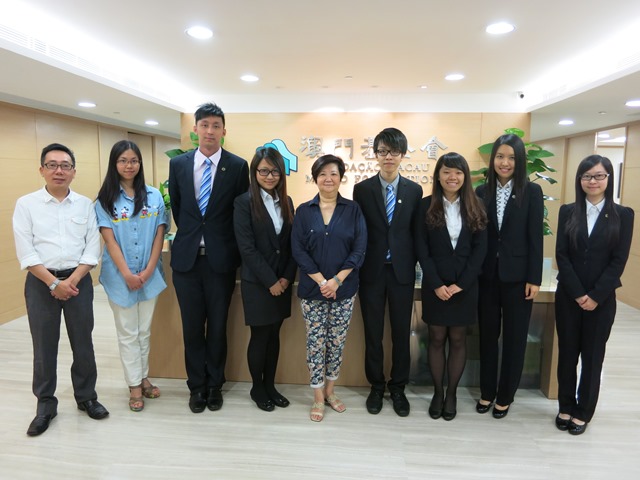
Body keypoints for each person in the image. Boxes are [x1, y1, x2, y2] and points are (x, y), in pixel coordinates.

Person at [13, 143, 108, 437]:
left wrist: (72, 280)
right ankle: (45, 405)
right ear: (41, 170)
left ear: (73, 172)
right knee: (44, 346)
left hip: (78, 282)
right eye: (52, 165)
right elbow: (26, 252)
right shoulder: (26, 204)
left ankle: (86, 397)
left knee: (83, 342)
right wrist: (54, 283)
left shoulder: (85, 205)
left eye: (65, 166)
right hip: (41, 284)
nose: (59, 171)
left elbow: (92, 249)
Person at [169, 102, 250, 413]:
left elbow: (240, 212)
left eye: (216, 126)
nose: (210, 131)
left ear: (224, 131)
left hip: (220, 260)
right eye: (204, 125)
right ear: (195, 129)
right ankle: (196, 386)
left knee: (217, 326)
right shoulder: (179, 165)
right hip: (187, 261)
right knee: (191, 328)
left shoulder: (237, 166)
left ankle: (215, 385)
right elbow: (179, 208)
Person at [554, 155, 634, 435]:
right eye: (587, 176)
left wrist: (596, 295)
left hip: (602, 300)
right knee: (567, 354)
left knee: (592, 356)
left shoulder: (623, 215)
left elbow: (619, 260)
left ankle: (583, 411)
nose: (593, 181)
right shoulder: (568, 212)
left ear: (609, 179)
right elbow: (562, 255)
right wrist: (578, 293)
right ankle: (565, 406)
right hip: (568, 297)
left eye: (599, 175)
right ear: (580, 180)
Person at [353, 127, 422, 417]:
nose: (388, 157)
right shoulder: (362, 190)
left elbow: (416, 234)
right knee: (373, 333)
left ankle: (398, 387)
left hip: (402, 273)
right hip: (371, 272)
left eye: (393, 152)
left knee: (400, 333)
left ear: (402, 154)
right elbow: (358, 232)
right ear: (376, 155)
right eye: (382, 151)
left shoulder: (415, 191)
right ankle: (376, 385)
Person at [291, 154, 367, 422]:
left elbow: (359, 249)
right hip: (313, 291)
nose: (328, 178)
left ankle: (331, 392)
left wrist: (337, 281)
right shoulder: (304, 211)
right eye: (322, 174)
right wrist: (323, 282)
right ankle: (317, 396)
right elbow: (298, 250)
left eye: (333, 173)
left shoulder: (353, 210)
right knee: (315, 344)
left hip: (344, 291)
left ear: (341, 177)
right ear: (315, 178)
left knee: (336, 342)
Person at [95, 140, 167, 412]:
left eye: (134, 160)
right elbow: (109, 240)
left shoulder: (154, 196)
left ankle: (143, 376)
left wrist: (148, 271)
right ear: (114, 164)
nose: (129, 165)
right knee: (127, 333)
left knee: (144, 331)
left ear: (140, 163)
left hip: (149, 275)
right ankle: (134, 385)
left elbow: (159, 234)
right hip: (119, 277)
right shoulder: (104, 200)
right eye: (123, 160)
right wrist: (127, 274)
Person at [475, 133, 543, 418]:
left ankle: (505, 396)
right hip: (487, 277)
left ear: (520, 161)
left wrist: (534, 278)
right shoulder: (481, 192)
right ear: (493, 159)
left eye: (511, 157)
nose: (505, 162)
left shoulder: (532, 192)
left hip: (518, 279)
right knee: (487, 337)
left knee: (515, 340)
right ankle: (487, 391)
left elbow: (535, 238)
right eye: (500, 156)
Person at [416, 153, 487, 420]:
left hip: (465, 287)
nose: (452, 177)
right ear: (438, 176)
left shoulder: (477, 205)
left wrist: (463, 284)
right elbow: (421, 249)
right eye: (446, 171)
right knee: (436, 338)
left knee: (458, 339)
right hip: (435, 286)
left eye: (458, 172)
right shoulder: (425, 206)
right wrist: (436, 284)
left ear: (465, 176)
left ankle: (452, 393)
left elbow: (480, 249)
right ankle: (438, 392)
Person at [233, 147, 296, 412]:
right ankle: (257, 388)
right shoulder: (243, 202)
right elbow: (246, 249)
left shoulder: (287, 201)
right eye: (264, 171)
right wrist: (271, 281)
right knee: (260, 336)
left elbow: (291, 245)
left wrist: (286, 278)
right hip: (258, 283)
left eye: (275, 171)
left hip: (282, 282)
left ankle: (270, 385)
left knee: (274, 335)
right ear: (254, 172)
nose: (269, 176)